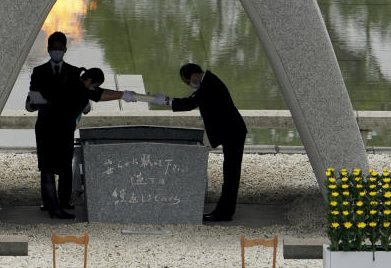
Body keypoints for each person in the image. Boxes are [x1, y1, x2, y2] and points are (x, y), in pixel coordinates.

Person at [27, 31, 136, 219]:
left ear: (65, 49)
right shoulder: (39, 72)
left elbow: (95, 93)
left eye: (60, 48)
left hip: (65, 127)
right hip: (46, 126)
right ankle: (52, 208)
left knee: (63, 165)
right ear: (48, 49)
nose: (56, 51)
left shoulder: (74, 72)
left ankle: (62, 203)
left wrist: (122, 94)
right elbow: (38, 96)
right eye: (53, 48)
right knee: (46, 167)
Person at [152, 63, 247, 222]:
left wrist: (167, 101)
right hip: (232, 131)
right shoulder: (208, 81)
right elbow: (195, 100)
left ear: (194, 75)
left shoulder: (209, 84)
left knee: (231, 174)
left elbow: (189, 103)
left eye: (187, 81)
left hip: (233, 132)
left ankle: (223, 213)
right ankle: (224, 211)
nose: (189, 85)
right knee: (230, 172)